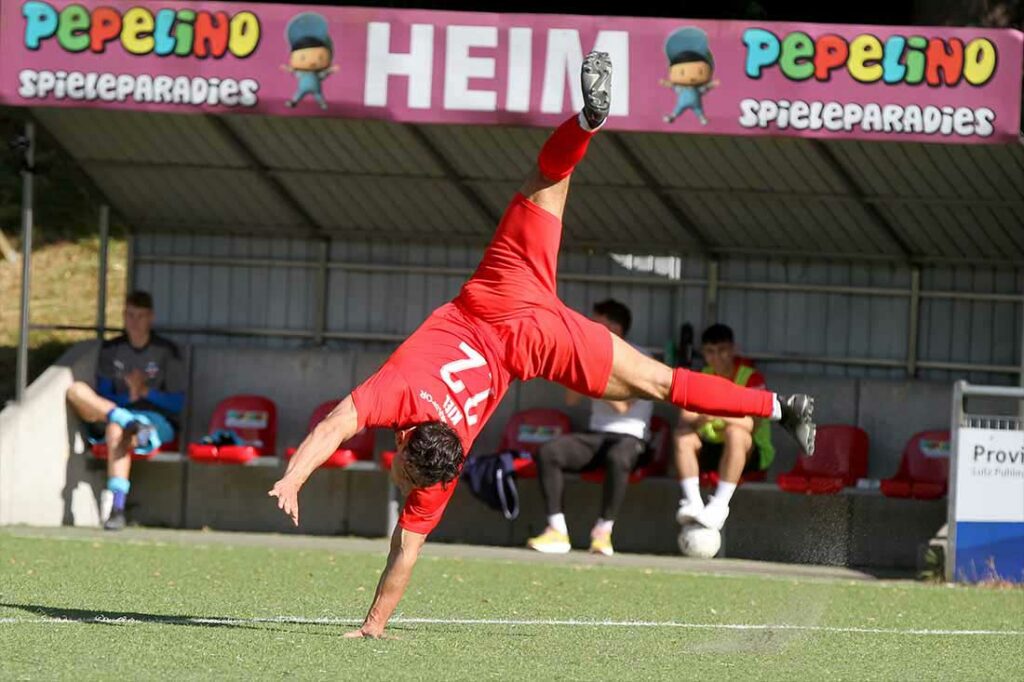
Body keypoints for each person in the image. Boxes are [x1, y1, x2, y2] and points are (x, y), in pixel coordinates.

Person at [270, 52, 815, 639]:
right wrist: (294, 476)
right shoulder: (407, 413)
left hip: (533, 340)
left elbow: (404, 545)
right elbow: (335, 427)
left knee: (660, 384)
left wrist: (375, 624)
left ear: (409, 452)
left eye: (406, 480)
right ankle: (586, 121)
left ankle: (784, 408)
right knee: (549, 179)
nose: (406, 486)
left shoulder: (439, 464)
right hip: (509, 293)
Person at [527, 299, 653, 557]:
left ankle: (603, 532)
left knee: (618, 456)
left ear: (616, 329)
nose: (588, 328)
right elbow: (571, 399)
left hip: (631, 438)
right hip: (597, 435)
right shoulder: (591, 355)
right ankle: (556, 530)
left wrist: (593, 372)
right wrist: (583, 366)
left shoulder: (641, 357)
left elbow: (624, 407)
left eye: (596, 324)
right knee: (549, 452)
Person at [66, 291, 185, 531]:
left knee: (116, 428)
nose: (134, 321)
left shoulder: (166, 351)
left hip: (154, 420)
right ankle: (127, 420)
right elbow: (104, 395)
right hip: (116, 412)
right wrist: (126, 397)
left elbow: (177, 403)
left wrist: (144, 393)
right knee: (76, 390)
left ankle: (117, 508)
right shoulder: (112, 349)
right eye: (129, 315)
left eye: (140, 316)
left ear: (150, 317)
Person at [674, 324, 775, 533]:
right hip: (712, 448)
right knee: (683, 436)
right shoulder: (703, 375)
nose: (716, 357)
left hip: (749, 453)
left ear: (733, 349)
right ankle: (693, 503)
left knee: (736, 433)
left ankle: (720, 504)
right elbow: (685, 417)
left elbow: (751, 424)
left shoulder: (751, 378)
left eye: (722, 350)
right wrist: (707, 416)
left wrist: (714, 414)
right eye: (710, 352)